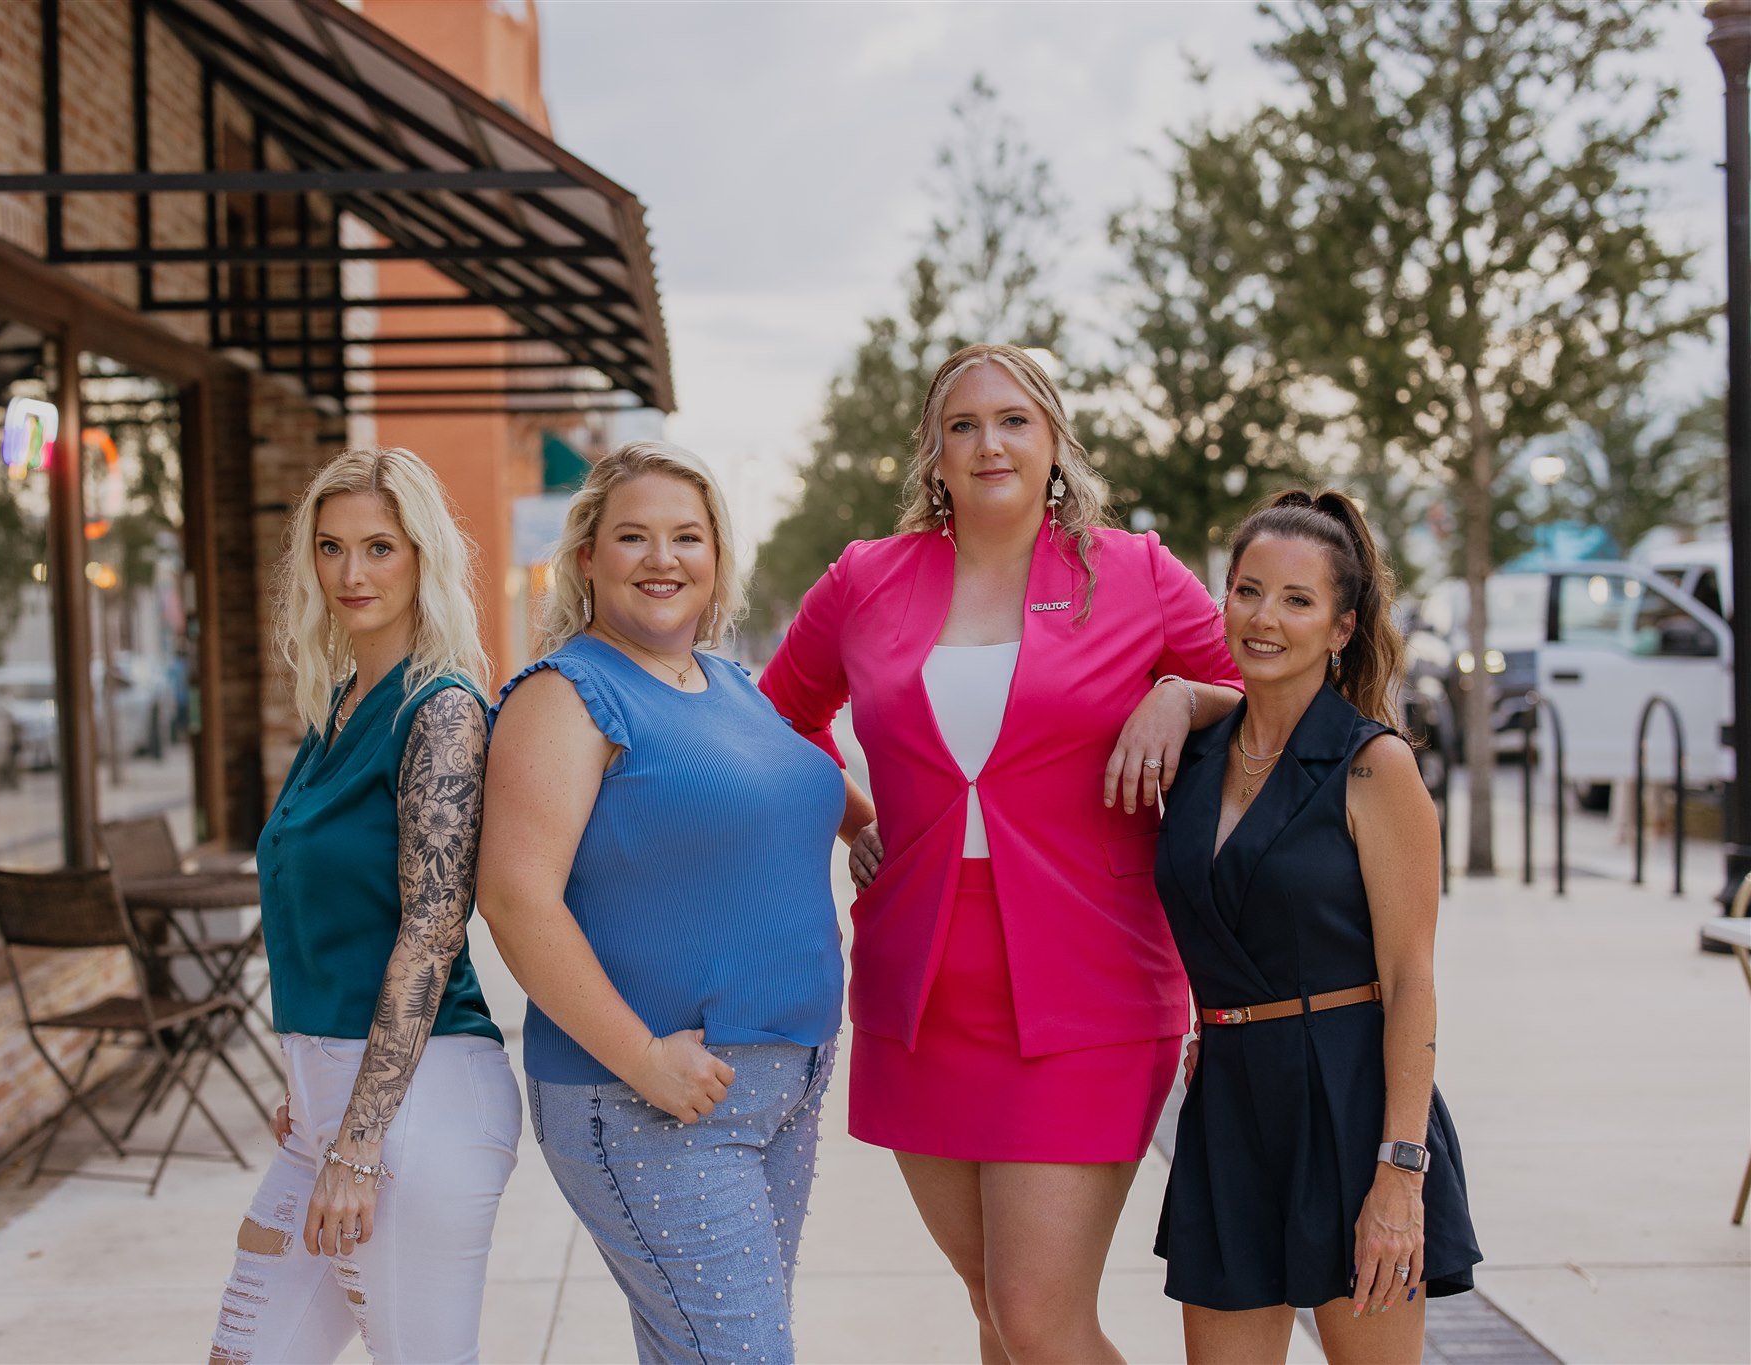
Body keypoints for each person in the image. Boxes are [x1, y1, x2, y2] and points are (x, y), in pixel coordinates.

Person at [758, 343, 1244, 1363]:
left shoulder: (1135, 573)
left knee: (1036, 1319)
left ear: (1054, 442)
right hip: (920, 991)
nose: (989, 443)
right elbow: (778, 719)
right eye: (963, 425)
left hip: (1092, 986)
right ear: (931, 455)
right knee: (995, 1310)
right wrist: (855, 818)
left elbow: (1270, 706)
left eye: (1013, 420)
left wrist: (1179, 695)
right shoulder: (865, 579)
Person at [479, 440, 847, 1365]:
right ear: (587, 558)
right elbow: (515, 897)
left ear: (717, 557)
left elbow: (777, 787)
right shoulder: (567, 694)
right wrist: (643, 1058)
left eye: (687, 536)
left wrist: (866, 825)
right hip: (654, 1099)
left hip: (779, 1090)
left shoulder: (725, 682)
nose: (662, 558)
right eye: (633, 536)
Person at [1152, 489, 1481, 1363]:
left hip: (1350, 1105)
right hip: (1227, 1102)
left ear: (1340, 628)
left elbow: (1411, 979)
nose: (1265, 618)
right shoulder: (1192, 759)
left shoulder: (1376, 767)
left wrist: (1399, 1173)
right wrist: (1180, 697)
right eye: (1248, 590)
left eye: (1298, 600)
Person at [209, 448, 520, 1365]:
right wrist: (310, 1084)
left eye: (380, 547)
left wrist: (357, 1133)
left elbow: (429, 929)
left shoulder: (442, 711)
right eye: (332, 547)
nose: (352, 573)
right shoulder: (336, 706)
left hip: (414, 1109)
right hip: (330, 1109)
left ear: (423, 558)